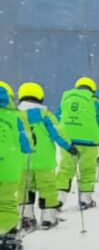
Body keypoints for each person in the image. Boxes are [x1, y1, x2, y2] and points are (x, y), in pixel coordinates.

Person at [16, 83, 74, 230]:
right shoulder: (45, 115)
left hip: (23, 160)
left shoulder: (15, 116)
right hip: (44, 160)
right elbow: (58, 133)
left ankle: (26, 217)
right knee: (48, 188)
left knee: (24, 188)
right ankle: (48, 217)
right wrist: (69, 146)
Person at [55, 77, 99, 210]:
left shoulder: (65, 99)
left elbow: (57, 116)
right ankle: (85, 199)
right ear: (92, 89)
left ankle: (59, 198)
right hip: (89, 141)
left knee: (65, 169)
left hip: (68, 140)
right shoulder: (95, 102)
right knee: (88, 169)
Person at [0, 82, 32, 250]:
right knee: (6, 201)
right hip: (8, 165)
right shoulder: (16, 116)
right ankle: (5, 235)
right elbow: (26, 143)